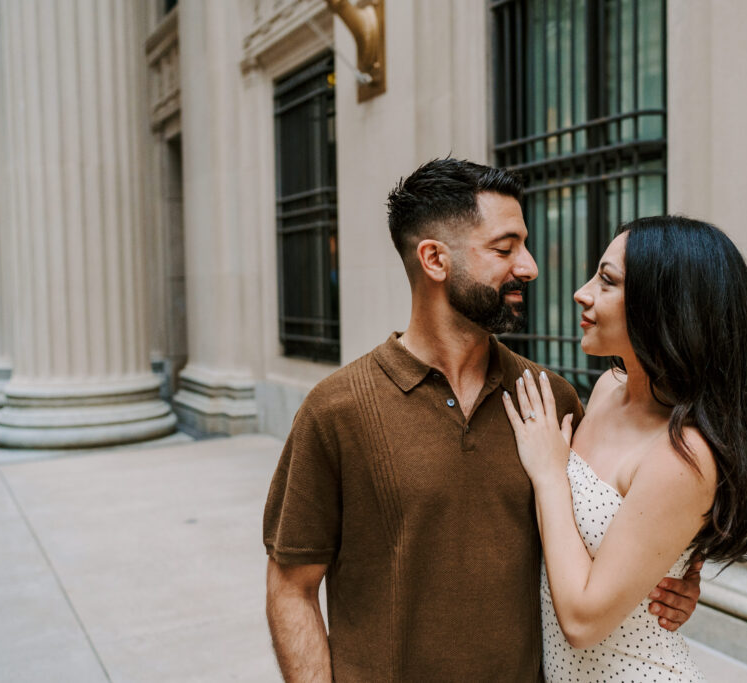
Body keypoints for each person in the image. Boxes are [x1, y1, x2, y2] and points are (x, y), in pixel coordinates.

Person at [262, 159, 703, 682]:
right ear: (434, 260)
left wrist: (678, 578)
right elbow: (291, 589)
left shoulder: (553, 401)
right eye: (505, 248)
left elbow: (613, 526)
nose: (530, 266)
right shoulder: (335, 410)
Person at [503, 216, 747, 681]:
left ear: (666, 308)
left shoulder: (683, 454)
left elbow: (581, 621)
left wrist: (550, 475)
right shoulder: (605, 390)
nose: (582, 292)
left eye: (607, 281)